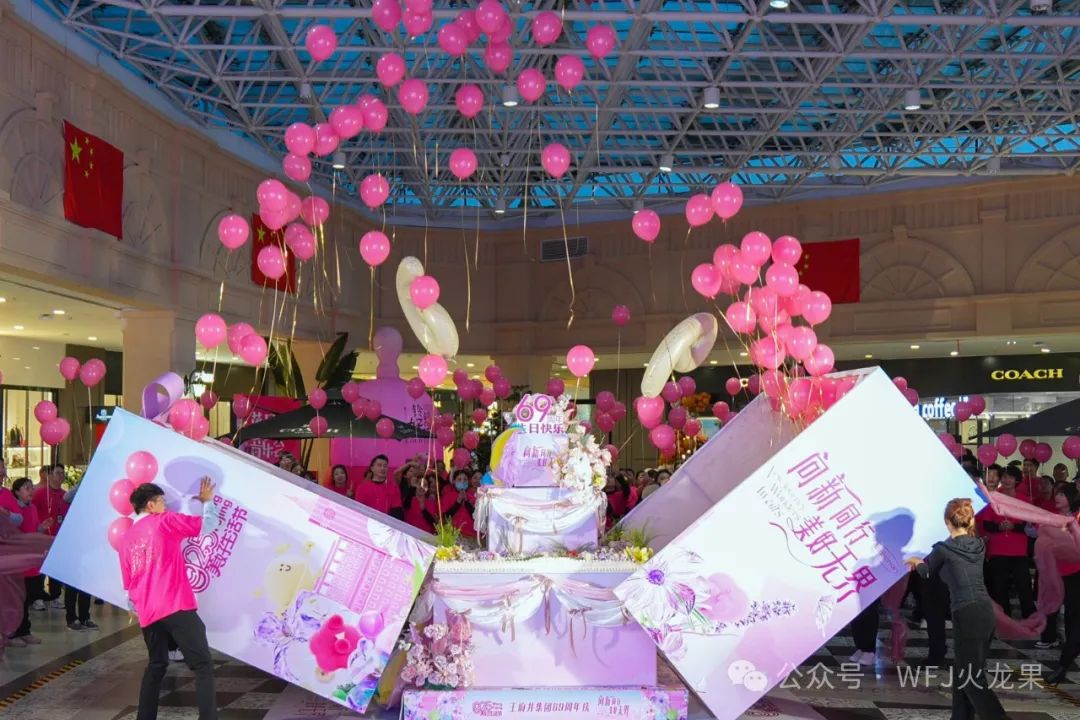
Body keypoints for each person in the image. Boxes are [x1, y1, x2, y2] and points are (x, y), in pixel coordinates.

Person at [121, 478, 220, 720]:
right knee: (202, 665)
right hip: (174, 605)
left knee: (156, 665)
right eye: (162, 501)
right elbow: (209, 524)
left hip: (148, 612)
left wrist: (136, 608)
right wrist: (207, 502)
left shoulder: (127, 538)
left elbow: (128, 582)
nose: (166, 505)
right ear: (151, 505)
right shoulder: (163, 521)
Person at [906, 498, 1009, 720]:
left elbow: (927, 572)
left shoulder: (943, 549)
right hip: (985, 612)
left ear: (947, 522)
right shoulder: (979, 545)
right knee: (965, 672)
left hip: (967, 613)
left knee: (971, 678)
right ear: (970, 520)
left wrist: (916, 561)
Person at [980, 467, 1035, 620]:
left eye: (1010, 477)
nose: (1006, 480)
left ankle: (1030, 618)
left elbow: (1030, 526)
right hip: (997, 549)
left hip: (1019, 550)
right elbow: (987, 524)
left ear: (1017, 480)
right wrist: (999, 527)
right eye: (1004, 477)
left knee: (1024, 586)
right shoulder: (993, 497)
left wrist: (1013, 527)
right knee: (999, 588)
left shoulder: (1025, 499)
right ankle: (1005, 620)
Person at [3, 478, 52, 646]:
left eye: (31, 487)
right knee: (16, 599)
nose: (31, 491)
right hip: (17, 561)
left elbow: (34, 529)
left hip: (29, 561)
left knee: (26, 597)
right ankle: (11, 634)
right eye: (26, 488)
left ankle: (24, 631)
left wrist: (42, 527)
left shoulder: (32, 508)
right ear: (17, 492)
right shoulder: (14, 511)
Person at [1044, 484, 1080, 685]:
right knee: (1071, 619)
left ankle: (1063, 665)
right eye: (1057, 493)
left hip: (1076, 573)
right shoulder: (1056, 519)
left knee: (1076, 623)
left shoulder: (1076, 519)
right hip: (1063, 574)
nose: (1057, 497)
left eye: (1062, 494)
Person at [351, 455, 403, 520]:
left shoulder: (393, 487)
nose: (382, 468)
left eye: (385, 466)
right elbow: (359, 510)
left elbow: (397, 511)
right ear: (372, 468)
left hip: (387, 523)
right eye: (379, 465)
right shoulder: (362, 488)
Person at [440, 470, 476, 539]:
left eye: (465, 480)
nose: (462, 482)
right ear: (454, 481)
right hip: (453, 534)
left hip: (471, 535)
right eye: (459, 479)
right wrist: (457, 503)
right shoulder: (447, 496)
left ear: (468, 482)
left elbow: (476, 517)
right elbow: (445, 517)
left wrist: (466, 502)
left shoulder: (473, 497)